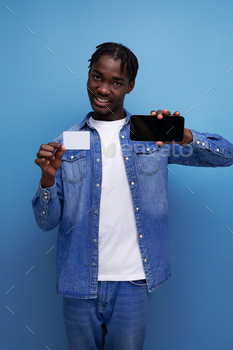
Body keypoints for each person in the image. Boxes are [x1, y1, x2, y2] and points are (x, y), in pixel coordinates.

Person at [32, 42, 233, 350]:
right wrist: (47, 179)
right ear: (88, 75)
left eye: (116, 82)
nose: (103, 89)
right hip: (78, 280)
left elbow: (226, 154)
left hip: (134, 281)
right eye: (97, 77)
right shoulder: (68, 141)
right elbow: (46, 223)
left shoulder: (151, 132)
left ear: (130, 86)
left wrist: (183, 134)